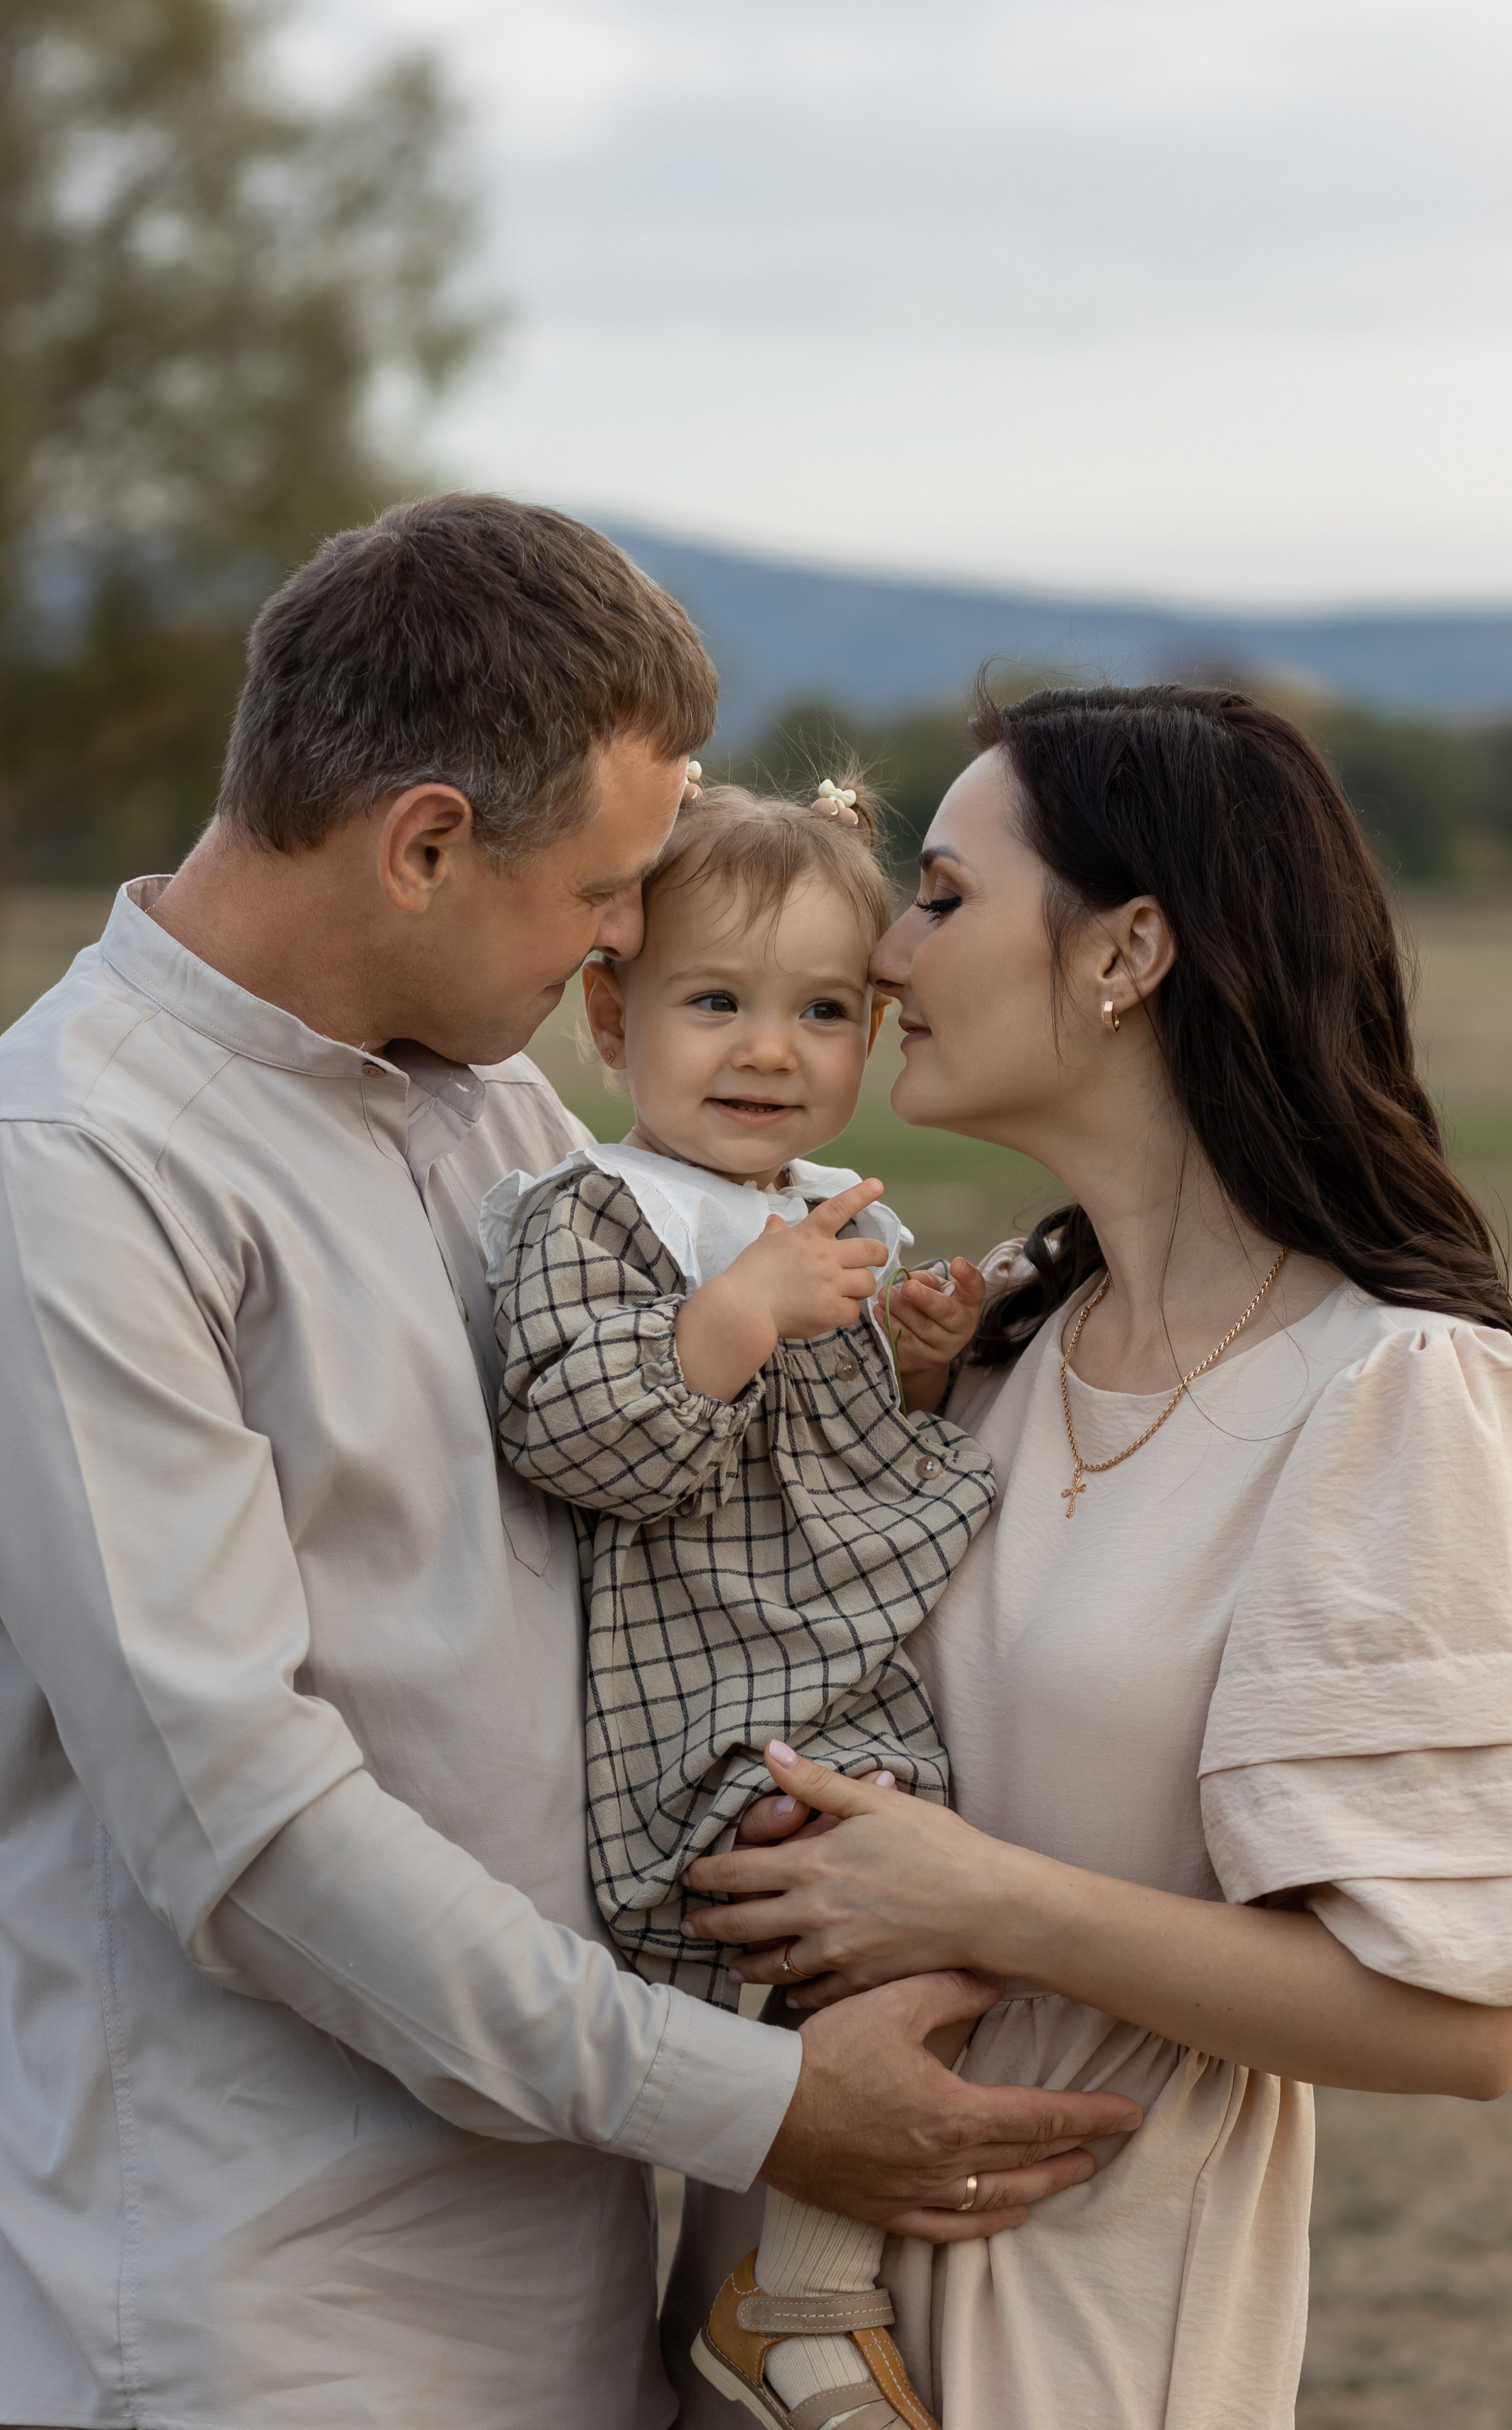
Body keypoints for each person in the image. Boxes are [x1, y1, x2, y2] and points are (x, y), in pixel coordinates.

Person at [0, 501, 1139, 2430]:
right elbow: (254, 1840)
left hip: (576, 2295)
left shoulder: (493, 1100)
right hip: (258, 2335)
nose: (632, 938)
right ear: (426, 844)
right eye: (608, 890)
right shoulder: (62, 1187)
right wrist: (775, 2110)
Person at [676, 682, 1512, 2430]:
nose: (889, 955)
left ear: (1125, 949)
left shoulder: (1386, 1391)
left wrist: (979, 1901)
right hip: (747, 2304)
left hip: (1066, 2326)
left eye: (936, 893)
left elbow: (1459, 2026)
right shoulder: (979, 1346)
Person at [483, 775, 999, 2430]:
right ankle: (800, 2306)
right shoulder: (597, 1213)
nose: (768, 1052)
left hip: (834, 1661)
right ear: (610, 1013)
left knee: (927, 1921)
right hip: (699, 1686)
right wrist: (731, 1322)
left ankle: (796, 2290)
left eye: (823, 1012)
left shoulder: (835, 1213)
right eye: (716, 1004)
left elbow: (849, 1463)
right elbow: (572, 1435)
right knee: (872, 1918)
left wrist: (909, 1363)